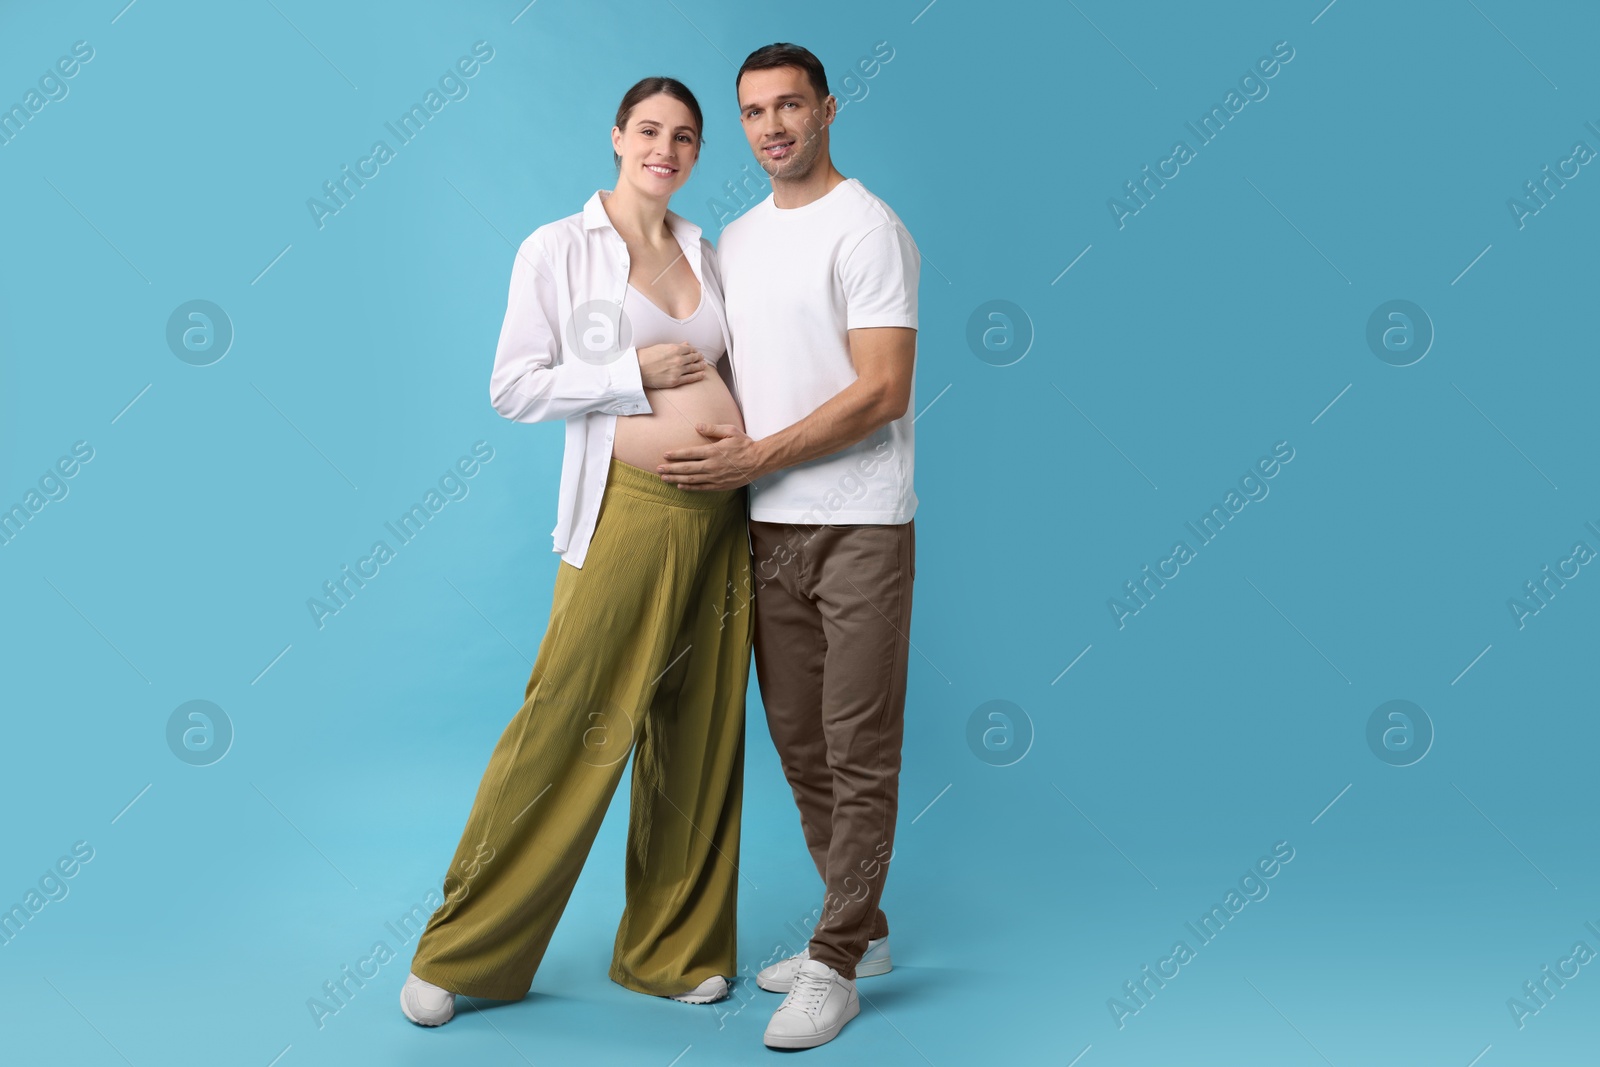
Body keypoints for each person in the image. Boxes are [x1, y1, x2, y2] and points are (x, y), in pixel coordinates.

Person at [399, 76, 753, 1027]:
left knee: (701, 730)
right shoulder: (560, 249)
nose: (665, 149)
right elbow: (514, 386)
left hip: (723, 520)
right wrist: (629, 370)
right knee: (569, 719)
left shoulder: (706, 252)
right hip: (627, 512)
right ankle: (461, 949)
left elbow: (737, 368)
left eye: (684, 136)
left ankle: (672, 949)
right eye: (649, 130)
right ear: (616, 136)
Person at [658, 42, 920, 1051]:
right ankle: (866, 926)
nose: (772, 127)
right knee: (801, 745)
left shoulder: (868, 230)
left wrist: (756, 453)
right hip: (766, 529)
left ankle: (837, 962)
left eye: (790, 107)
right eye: (754, 112)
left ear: (827, 110)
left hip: (859, 523)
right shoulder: (736, 235)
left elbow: (881, 388)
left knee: (858, 752)